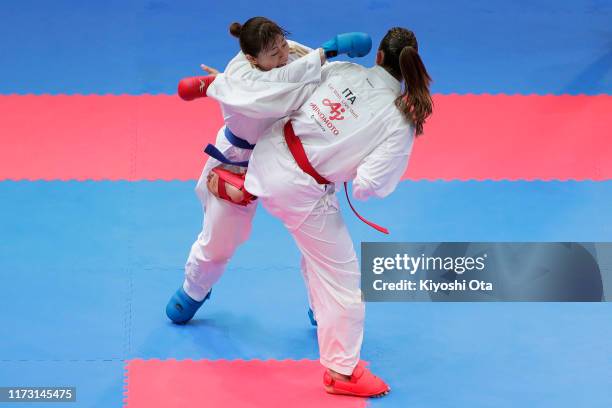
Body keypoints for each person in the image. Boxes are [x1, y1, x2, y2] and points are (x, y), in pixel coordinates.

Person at [237, 27, 433, 397]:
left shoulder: (344, 71)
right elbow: (370, 186)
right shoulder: (399, 120)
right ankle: (341, 372)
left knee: (318, 250)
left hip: (267, 154)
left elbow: (296, 77)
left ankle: (320, 312)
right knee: (344, 279)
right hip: (299, 190)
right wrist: (347, 161)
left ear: (377, 57)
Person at [166, 16, 371, 325]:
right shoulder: (241, 79)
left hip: (296, 164)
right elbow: (270, 89)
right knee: (219, 238)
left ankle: (324, 306)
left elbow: (324, 81)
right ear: (252, 58)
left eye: (282, 44)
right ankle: (194, 289)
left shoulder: (299, 56)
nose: (283, 54)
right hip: (240, 160)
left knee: (321, 241)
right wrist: (329, 50)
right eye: (273, 53)